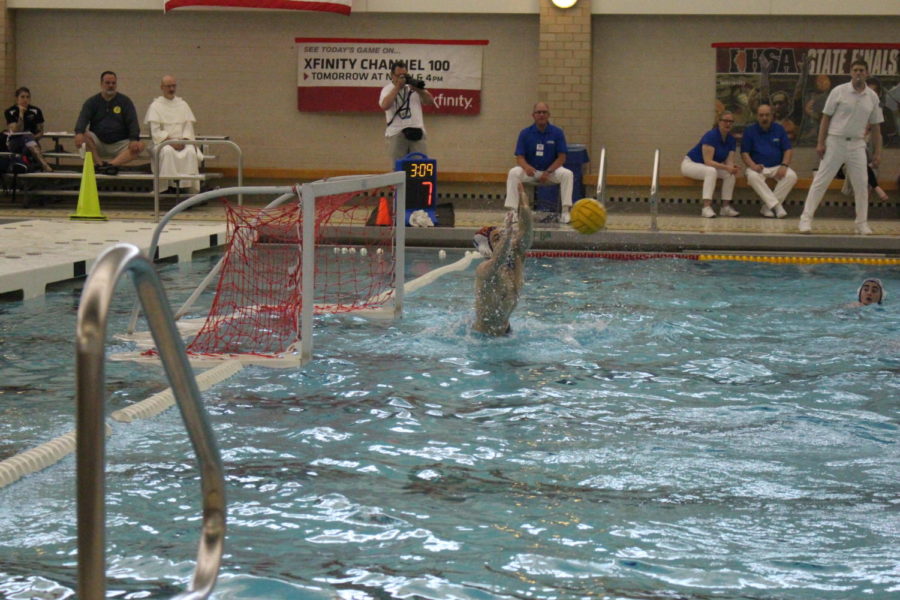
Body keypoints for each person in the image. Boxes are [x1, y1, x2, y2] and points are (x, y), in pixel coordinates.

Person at [799, 59, 883, 235]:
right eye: (855, 70)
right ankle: (805, 220)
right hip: (835, 141)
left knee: (861, 184)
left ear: (867, 73)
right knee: (821, 182)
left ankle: (861, 223)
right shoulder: (839, 91)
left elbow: (876, 127)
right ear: (851, 72)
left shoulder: (872, 97)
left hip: (858, 144)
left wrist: (877, 152)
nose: (858, 73)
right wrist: (821, 142)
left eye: (862, 70)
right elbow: (825, 118)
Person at [473, 185, 534, 336]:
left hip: (506, 333)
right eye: (496, 238)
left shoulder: (516, 259)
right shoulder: (484, 270)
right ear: (488, 248)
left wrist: (524, 206)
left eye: (504, 235)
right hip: (483, 338)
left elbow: (526, 232)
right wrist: (507, 234)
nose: (505, 238)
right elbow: (498, 259)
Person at [504, 102, 574, 223]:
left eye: (544, 112)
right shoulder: (525, 133)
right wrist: (526, 168)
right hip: (532, 172)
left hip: (550, 172)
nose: (541, 115)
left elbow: (562, 157)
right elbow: (519, 157)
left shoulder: (557, 132)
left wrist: (548, 171)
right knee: (513, 172)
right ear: (533, 115)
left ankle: (565, 212)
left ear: (548, 115)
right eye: (538, 112)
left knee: (568, 174)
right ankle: (512, 212)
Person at [74, 71, 145, 175]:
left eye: (113, 83)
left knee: (140, 145)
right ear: (101, 84)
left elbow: (133, 122)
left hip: (120, 144)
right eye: (107, 83)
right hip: (98, 144)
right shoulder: (92, 102)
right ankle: (99, 164)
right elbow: (82, 119)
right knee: (83, 136)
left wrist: (134, 139)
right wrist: (79, 133)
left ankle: (109, 166)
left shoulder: (125, 101)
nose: (111, 86)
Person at [144, 75, 203, 193]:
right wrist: (171, 142)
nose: (171, 89)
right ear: (162, 87)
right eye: (168, 86)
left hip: (182, 142)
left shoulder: (183, 104)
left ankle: (188, 190)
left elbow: (188, 127)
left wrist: (184, 140)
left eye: (173, 86)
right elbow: (155, 131)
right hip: (164, 143)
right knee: (167, 152)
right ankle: (166, 188)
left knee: (191, 151)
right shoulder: (155, 106)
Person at [740, 102, 796, 218]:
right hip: (757, 167)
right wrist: (753, 166)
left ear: (771, 116)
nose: (764, 118)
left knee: (792, 176)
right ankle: (777, 207)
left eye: (767, 115)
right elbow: (744, 153)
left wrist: (784, 165)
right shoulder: (750, 131)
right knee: (752, 176)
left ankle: (767, 207)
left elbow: (788, 150)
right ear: (757, 116)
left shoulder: (779, 129)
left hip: (777, 166)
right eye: (761, 115)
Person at [681, 111, 740, 218]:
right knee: (711, 171)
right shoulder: (711, 135)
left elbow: (729, 161)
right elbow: (708, 161)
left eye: (731, 121)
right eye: (725, 121)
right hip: (691, 164)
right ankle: (706, 207)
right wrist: (727, 167)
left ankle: (725, 207)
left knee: (729, 175)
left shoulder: (731, 139)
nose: (728, 124)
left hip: (707, 166)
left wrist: (731, 168)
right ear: (719, 122)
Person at [378, 60, 435, 163]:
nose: (402, 78)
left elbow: (430, 101)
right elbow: (385, 105)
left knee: (419, 167)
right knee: (399, 169)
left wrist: (419, 90)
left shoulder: (413, 86)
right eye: (399, 75)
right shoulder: (387, 89)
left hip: (417, 131)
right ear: (392, 75)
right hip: (397, 133)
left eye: (404, 75)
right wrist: (397, 87)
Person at [3, 86, 52, 172]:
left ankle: (36, 167)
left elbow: (41, 131)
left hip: (32, 142)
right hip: (15, 142)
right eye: (22, 97)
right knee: (26, 136)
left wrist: (34, 137)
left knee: (28, 138)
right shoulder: (10, 111)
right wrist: (21, 113)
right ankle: (44, 165)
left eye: (27, 97)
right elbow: (16, 130)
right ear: (16, 98)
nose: (25, 99)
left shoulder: (36, 111)